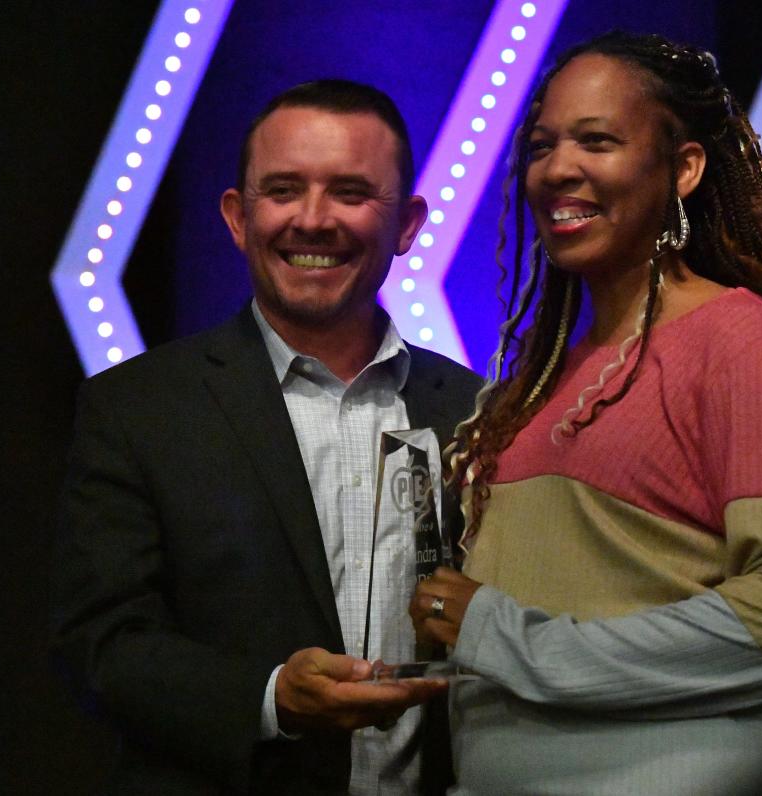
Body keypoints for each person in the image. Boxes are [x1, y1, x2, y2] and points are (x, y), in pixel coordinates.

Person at [410, 31, 762, 794]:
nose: (559, 169)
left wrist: (510, 641)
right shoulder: (536, 380)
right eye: (541, 145)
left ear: (683, 168)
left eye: (598, 141)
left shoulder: (739, 337)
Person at [52, 80, 482, 795]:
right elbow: (100, 646)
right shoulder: (138, 410)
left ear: (407, 225)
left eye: (350, 192)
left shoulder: (477, 411)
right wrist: (273, 695)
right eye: (283, 190)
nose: (313, 220)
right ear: (238, 217)